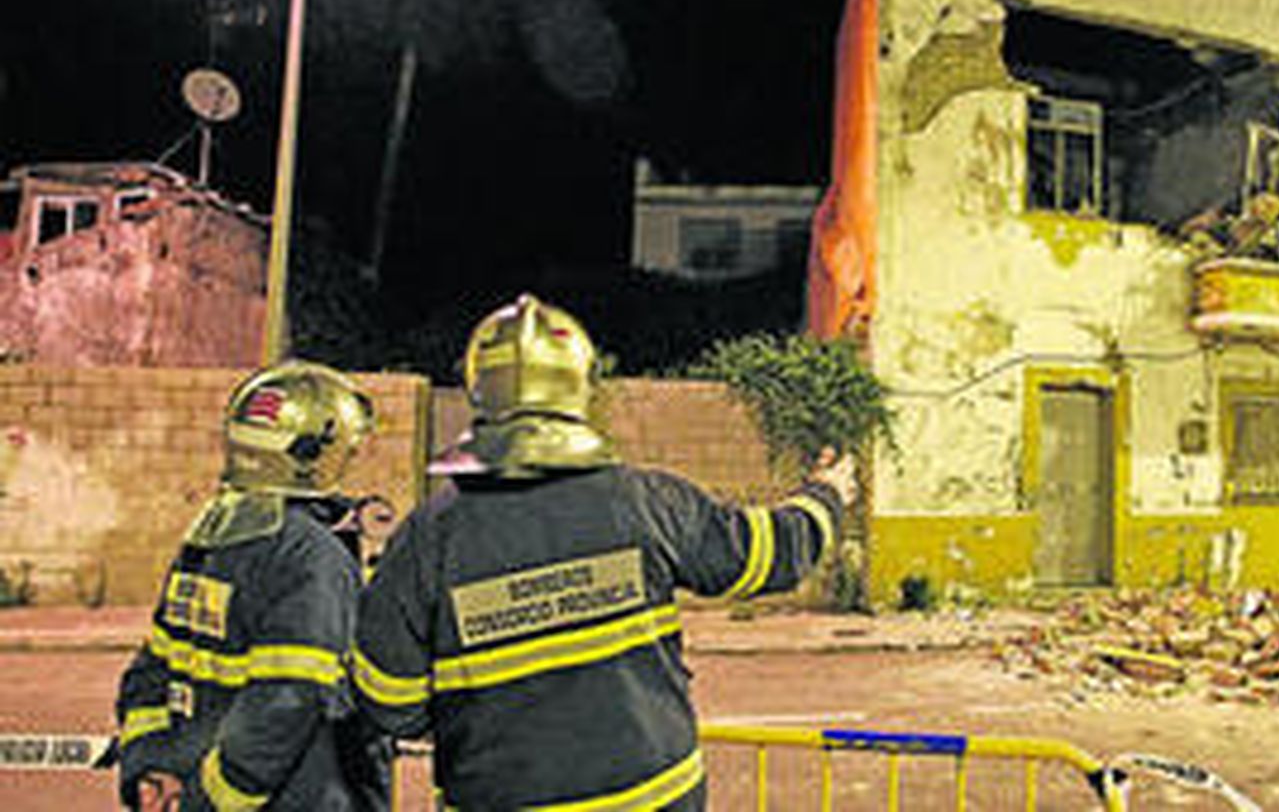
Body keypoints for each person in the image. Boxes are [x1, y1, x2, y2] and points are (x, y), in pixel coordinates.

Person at [352, 294, 857, 810]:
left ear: (478, 391)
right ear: (581, 386)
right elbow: (769, 554)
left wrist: (475, 721)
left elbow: (388, 698)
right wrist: (827, 495)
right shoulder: (646, 502)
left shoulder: (427, 537)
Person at [113, 361, 391, 811]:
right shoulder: (310, 555)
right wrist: (212, 798)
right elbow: (290, 698)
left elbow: (150, 673)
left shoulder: (208, 538)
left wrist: (152, 767)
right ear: (312, 454)